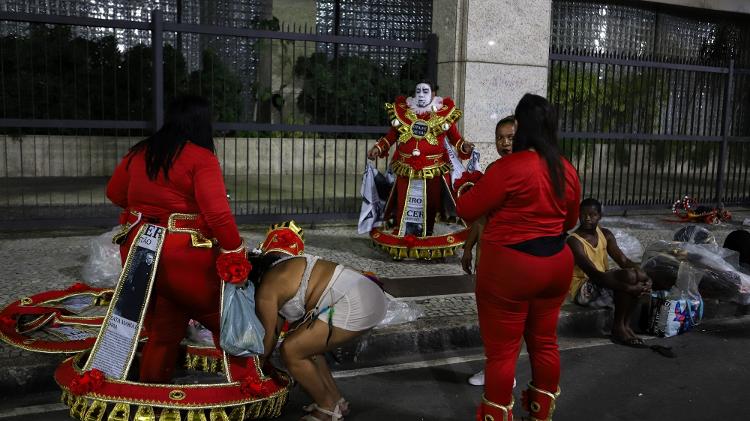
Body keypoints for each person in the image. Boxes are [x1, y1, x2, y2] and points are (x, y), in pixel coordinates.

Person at [106, 95, 254, 383]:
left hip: (140, 249)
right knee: (226, 320)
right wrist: (236, 251)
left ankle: (152, 394)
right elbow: (218, 216)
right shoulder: (201, 157)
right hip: (182, 253)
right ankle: (251, 386)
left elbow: (115, 193)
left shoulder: (141, 152)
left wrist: (148, 209)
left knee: (163, 329)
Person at [455, 93, 581, 421]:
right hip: (556, 263)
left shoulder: (508, 167)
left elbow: (467, 209)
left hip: (510, 268)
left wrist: (465, 184)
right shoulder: (565, 168)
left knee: (502, 353)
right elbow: (569, 222)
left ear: (521, 126)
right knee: (545, 343)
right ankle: (541, 414)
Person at [252, 228, 388, 421]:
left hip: (354, 301)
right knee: (305, 346)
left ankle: (326, 408)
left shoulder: (266, 290)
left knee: (291, 351)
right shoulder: (282, 270)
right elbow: (273, 334)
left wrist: (251, 373)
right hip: (364, 293)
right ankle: (336, 401)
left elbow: (266, 342)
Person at [366, 80, 474, 257]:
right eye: (418, 91)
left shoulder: (443, 114)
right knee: (403, 204)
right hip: (406, 168)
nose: (422, 95)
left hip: (432, 169)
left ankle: (427, 238)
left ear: (434, 93)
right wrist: (379, 148)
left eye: (426, 91)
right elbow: (390, 137)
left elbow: (456, 139)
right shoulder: (403, 113)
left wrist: (465, 146)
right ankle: (402, 238)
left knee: (430, 204)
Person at [462, 115, 515, 387]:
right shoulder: (494, 169)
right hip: (488, 256)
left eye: (511, 137)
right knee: (489, 317)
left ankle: (502, 372)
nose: (505, 143)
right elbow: (480, 215)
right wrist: (468, 248)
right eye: (500, 138)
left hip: (510, 257)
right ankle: (497, 367)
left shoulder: (525, 173)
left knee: (504, 319)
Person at [567, 198, 653, 347]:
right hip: (583, 289)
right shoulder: (574, 241)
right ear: (578, 215)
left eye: (592, 215)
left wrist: (645, 277)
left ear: (600, 216)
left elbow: (624, 261)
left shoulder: (605, 234)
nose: (587, 218)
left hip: (603, 280)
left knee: (634, 276)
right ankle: (618, 327)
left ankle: (625, 326)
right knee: (628, 280)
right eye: (584, 214)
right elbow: (595, 275)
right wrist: (628, 287)